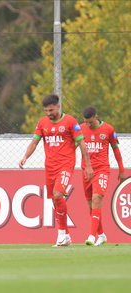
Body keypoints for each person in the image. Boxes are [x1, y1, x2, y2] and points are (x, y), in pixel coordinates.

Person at [19, 94, 94, 247]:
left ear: (58, 107)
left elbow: (82, 144)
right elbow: (34, 142)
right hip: (50, 168)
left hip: (66, 165)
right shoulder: (42, 123)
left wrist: (88, 165)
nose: (49, 113)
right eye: (46, 110)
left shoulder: (70, 121)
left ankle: (61, 234)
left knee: (58, 194)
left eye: (51, 110)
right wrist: (25, 156)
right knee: (54, 200)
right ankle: (66, 235)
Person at [80, 106, 125, 246]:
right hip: (86, 171)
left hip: (102, 170)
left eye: (91, 122)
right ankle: (102, 235)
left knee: (96, 199)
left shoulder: (108, 129)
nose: (88, 125)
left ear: (96, 117)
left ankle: (91, 236)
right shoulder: (80, 129)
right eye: (86, 122)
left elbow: (115, 149)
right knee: (91, 205)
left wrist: (121, 169)